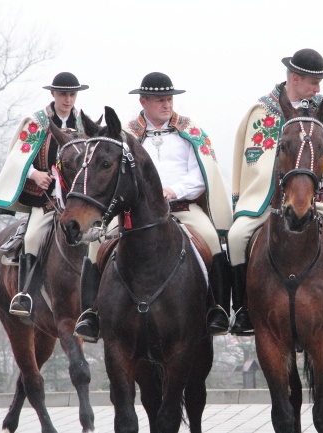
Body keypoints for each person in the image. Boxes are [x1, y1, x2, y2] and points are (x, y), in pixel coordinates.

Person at [73, 72, 233, 341]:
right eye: (160, 100)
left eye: (169, 99)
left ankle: (218, 310)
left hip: (182, 207)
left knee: (212, 240)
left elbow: (201, 175)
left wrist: (173, 191)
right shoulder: (125, 135)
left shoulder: (190, 130)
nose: (167, 105)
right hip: (135, 212)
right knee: (95, 245)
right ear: (143, 101)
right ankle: (90, 314)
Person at [228, 48, 323, 335]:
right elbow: (254, 158)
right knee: (235, 238)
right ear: (295, 79)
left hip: (318, 194)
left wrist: (316, 181)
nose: (318, 88)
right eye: (313, 81)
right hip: (269, 198)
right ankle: (242, 309)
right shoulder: (263, 111)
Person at [0, 72, 90, 317]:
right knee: (33, 236)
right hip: (46, 200)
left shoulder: (84, 124)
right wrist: (35, 175)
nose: (68, 99)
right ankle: (24, 294)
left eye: (72, 94)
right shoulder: (37, 122)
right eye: (63, 94)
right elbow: (18, 156)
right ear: (53, 94)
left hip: (77, 202)